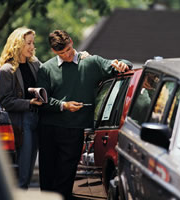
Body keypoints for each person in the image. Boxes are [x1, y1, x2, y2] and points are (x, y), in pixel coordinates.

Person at [36, 29, 132, 200]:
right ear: (53, 51)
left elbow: (121, 64)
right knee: (47, 175)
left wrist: (124, 64)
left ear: (71, 42)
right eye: (61, 53)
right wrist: (63, 105)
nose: (66, 55)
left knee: (65, 177)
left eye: (67, 50)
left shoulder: (91, 62)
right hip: (48, 128)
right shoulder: (46, 69)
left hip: (74, 129)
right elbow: (41, 101)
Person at [0, 27, 42, 189]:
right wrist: (29, 103)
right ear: (18, 43)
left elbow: (52, 71)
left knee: (28, 171)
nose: (32, 46)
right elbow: (6, 101)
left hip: (37, 119)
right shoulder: (7, 70)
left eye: (33, 43)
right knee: (23, 171)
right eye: (28, 43)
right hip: (22, 123)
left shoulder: (35, 64)